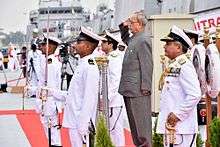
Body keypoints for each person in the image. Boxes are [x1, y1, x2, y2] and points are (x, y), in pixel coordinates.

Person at [50, 27, 102, 147]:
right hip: (75, 118)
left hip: (80, 120)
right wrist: (53, 92)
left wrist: (83, 123)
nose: (75, 45)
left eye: (79, 42)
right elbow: (74, 93)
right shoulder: (83, 63)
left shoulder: (90, 66)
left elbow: (90, 96)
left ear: (88, 46)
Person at [156, 25, 201, 147]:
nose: (164, 46)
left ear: (178, 47)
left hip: (182, 128)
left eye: (168, 43)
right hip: (173, 127)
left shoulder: (184, 65)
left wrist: (178, 114)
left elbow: (195, 94)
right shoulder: (175, 65)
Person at [118, 12, 153, 147]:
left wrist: (146, 87)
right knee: (134, 127)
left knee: (142, 127)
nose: (130, 25)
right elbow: (124, 37)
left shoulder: (143, 40)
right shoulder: (134, 38)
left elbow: (147, 65)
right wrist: (124, 25)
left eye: (132, 23)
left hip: (139, 90)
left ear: (139, 24)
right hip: (129, 89)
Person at [35, 36, 63, 147]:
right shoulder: (47, 61)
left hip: (49, 101)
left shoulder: (50, 64)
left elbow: (49, 87)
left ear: (50, 46)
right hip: (47, 101)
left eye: (43, 45)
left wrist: (42, 100)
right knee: (50, 132)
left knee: (53, 134)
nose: (40, 47)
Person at [100, 30, 125, 146]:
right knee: (110, 130)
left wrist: (107, 98)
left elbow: (115, 81)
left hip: (113, 101)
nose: (102, 44)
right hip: (108, 100)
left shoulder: (114, 58)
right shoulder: (107, 57)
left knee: (116, 131)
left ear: (111, 44)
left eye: (104, 42)